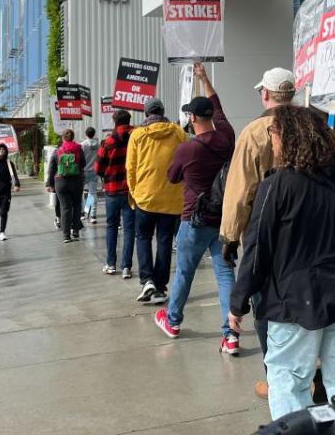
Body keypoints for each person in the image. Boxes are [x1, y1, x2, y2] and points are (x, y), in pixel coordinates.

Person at [229, 106, 335, 420]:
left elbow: (257, 251)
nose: (271, 142)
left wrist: (237, 303)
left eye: (273, 135)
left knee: (288, 380)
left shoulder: (276, 186)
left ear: (288, 138)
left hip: (296, 298)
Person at [219, 66, 296, 398]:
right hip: (307, 231)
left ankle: (277, 378)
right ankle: (308, 372)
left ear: (265, 94)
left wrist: (230, 236)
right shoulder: (313, 127)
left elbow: (240, 190)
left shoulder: (254, 132)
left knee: (265, 306)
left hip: (265, 232)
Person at [154, 63, 238, 355]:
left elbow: (172, 177)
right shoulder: (227, 137)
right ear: (211, 117)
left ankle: (173, 320)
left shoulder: (187, 148)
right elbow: (219, 106)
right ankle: (230, 336)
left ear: (191, 118)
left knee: (185, 273)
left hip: (195, 219)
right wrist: (204, 78)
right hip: (224, 218)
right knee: (225, 274)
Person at [126, 97, 187, 304]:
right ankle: (160, 287)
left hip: (145, 196)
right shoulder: (178, 132)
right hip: (172, 197)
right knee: (164, 240)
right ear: (162, 111)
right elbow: (187, 159)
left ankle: (147, 280)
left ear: (146, 114)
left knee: (142, 237)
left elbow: (130, 168)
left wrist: (134, 192)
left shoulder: (137, 135)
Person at [95, 109, 136, 277]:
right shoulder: (137, 138)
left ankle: (111, 264)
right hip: (131, 191)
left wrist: (106, 174)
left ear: (114, 121)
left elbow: (98, 167)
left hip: (112, 190)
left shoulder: (108, 141)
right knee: (129, 229)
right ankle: (126, 266)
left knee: (111, 227)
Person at [45, 129, 85, 243]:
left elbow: (52, 167)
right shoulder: (78, 149)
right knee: (77, 205)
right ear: (73, 137)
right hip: (76, 181)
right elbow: (83, 163)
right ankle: (75, 230)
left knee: (65, 207)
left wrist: (49, 183)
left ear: (63, 138)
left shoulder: (58, 150)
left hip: (61, 182)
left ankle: (66, 235)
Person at [80, 127, 100, 223]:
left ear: (86, 134)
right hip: (94, 171)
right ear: (94, 134)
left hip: (83, 171)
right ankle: (93, 215)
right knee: (92, 193)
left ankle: (83, 213)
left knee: (80, 193)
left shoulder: (82, 145)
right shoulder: (98, 145)